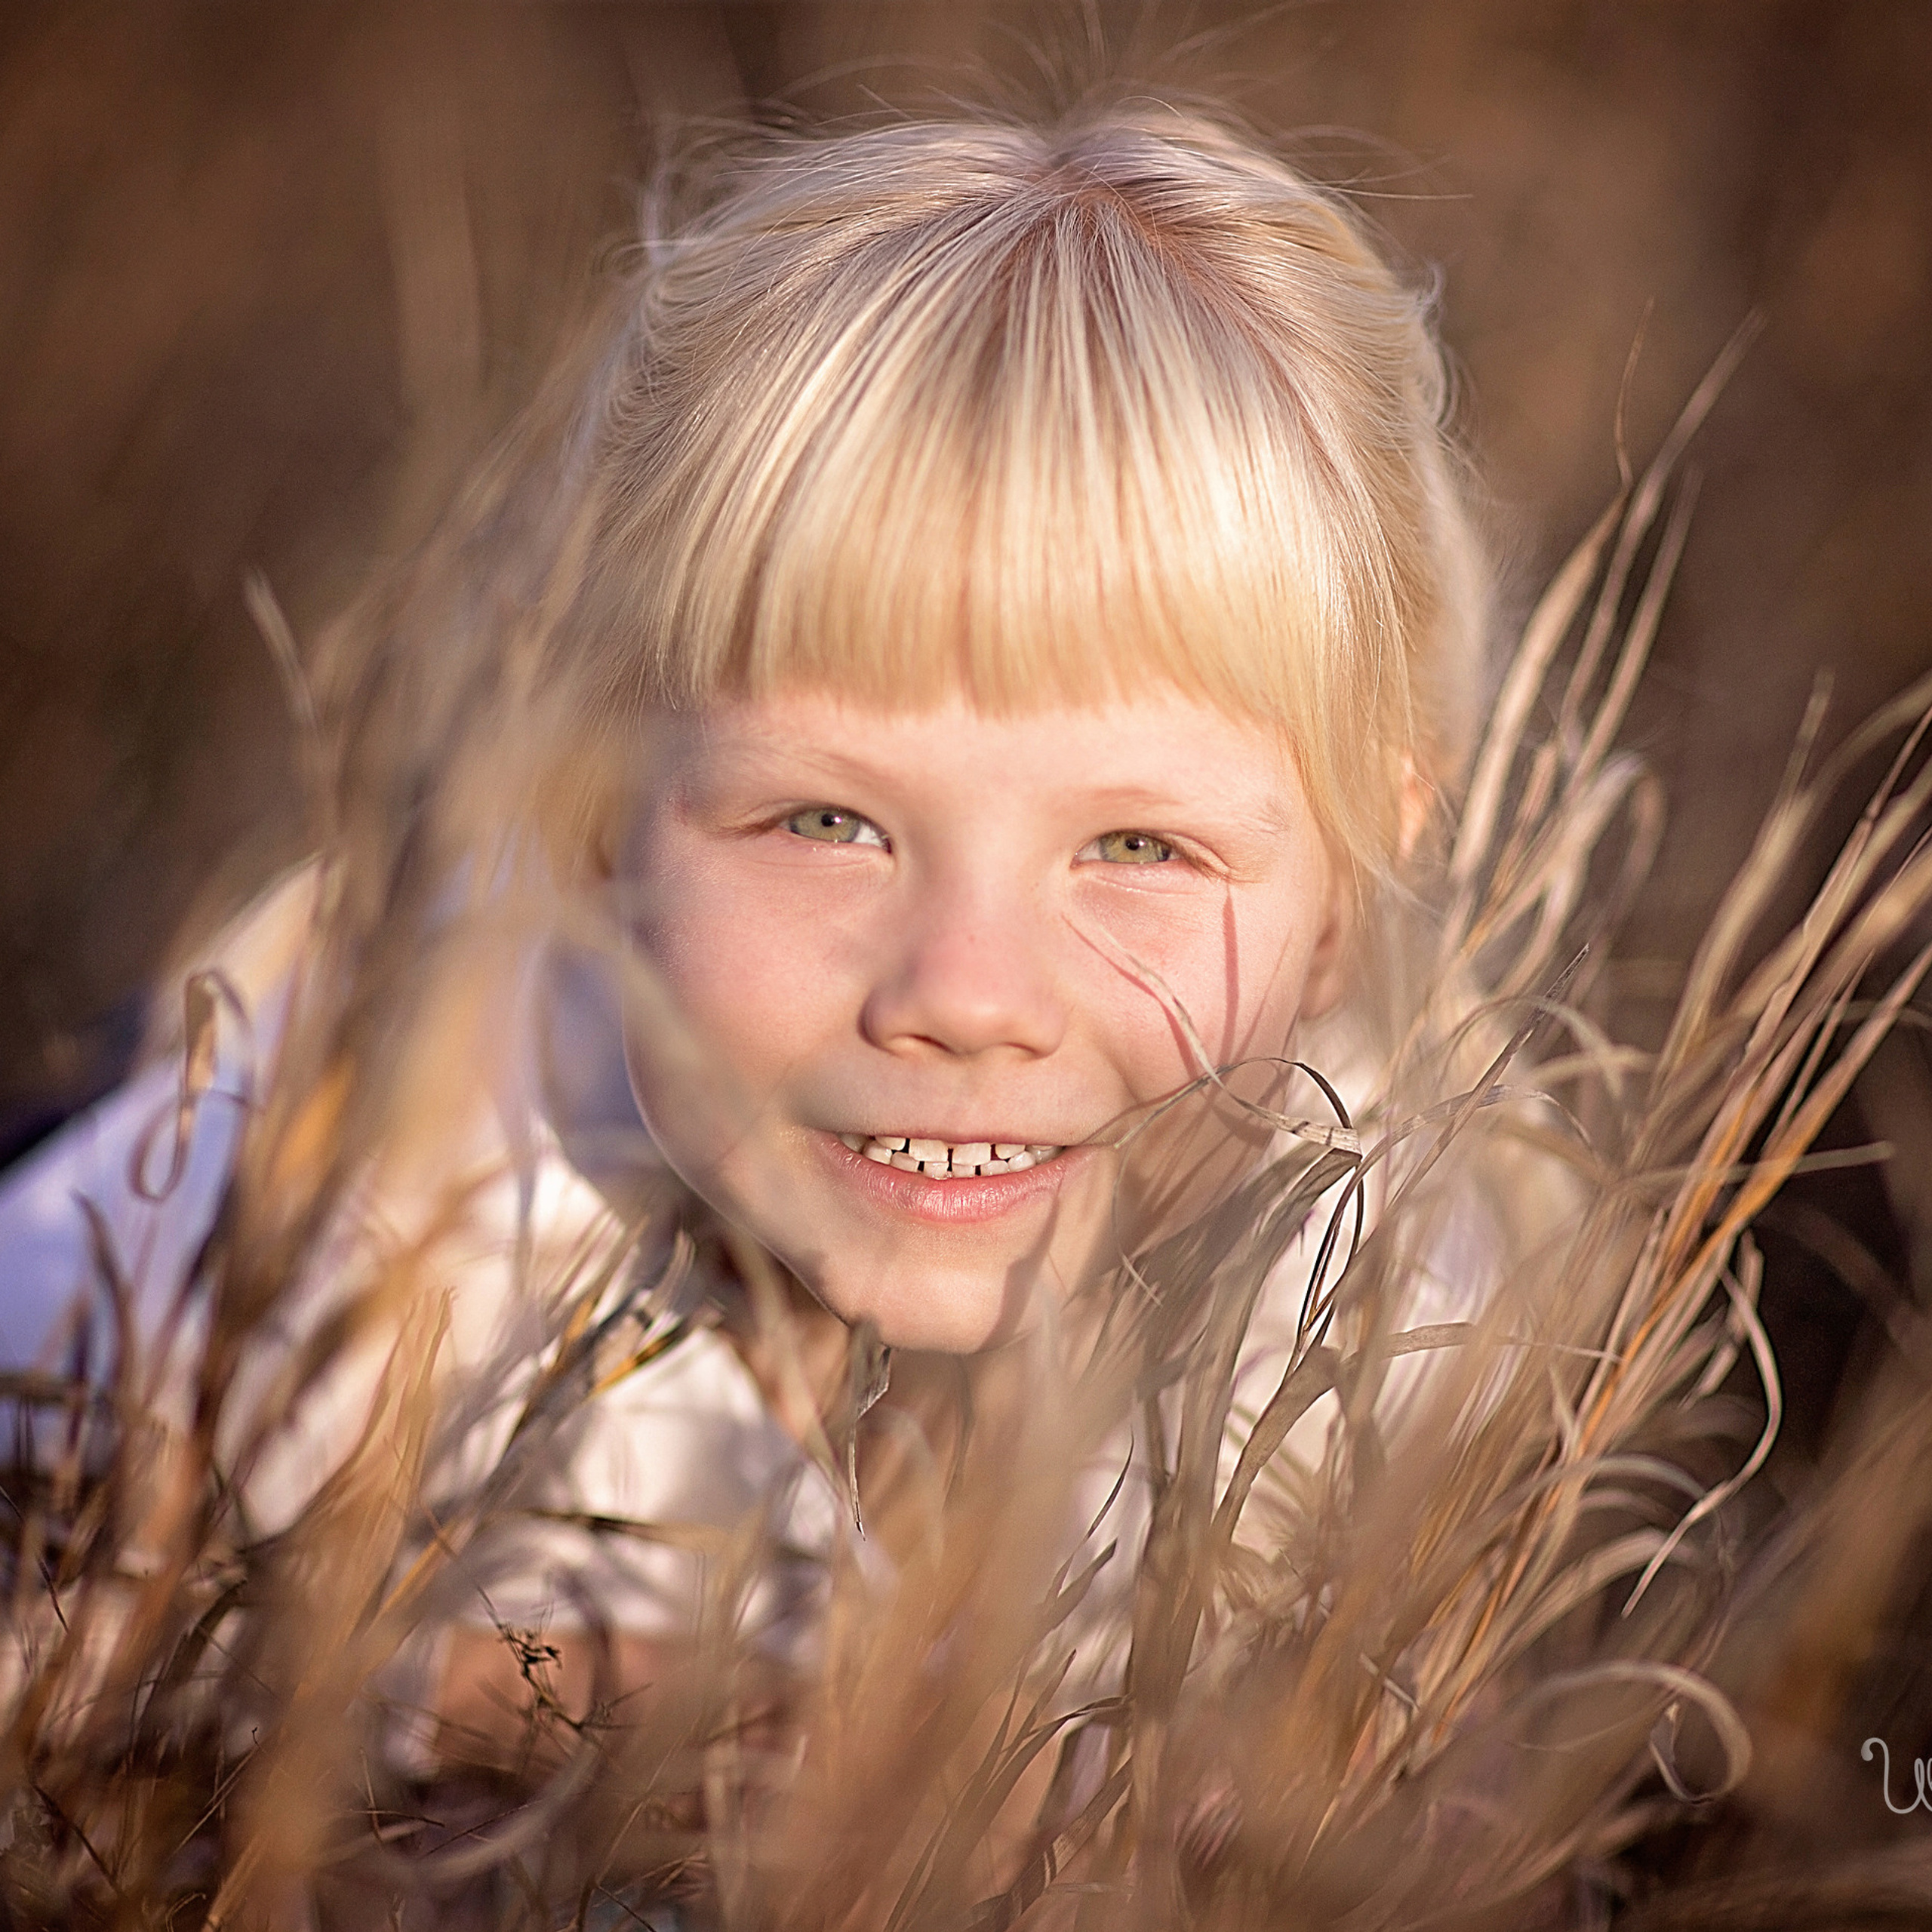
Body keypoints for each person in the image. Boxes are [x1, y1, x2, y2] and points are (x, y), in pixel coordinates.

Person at [0, 103, 1515, 1777]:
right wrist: (583, 1701)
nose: (965, 992)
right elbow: (61, 1664)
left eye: (1138, 845)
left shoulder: (1394, 1286)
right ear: (596, 819)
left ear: (1351, 886)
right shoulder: (324, 1233)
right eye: (827, 822)